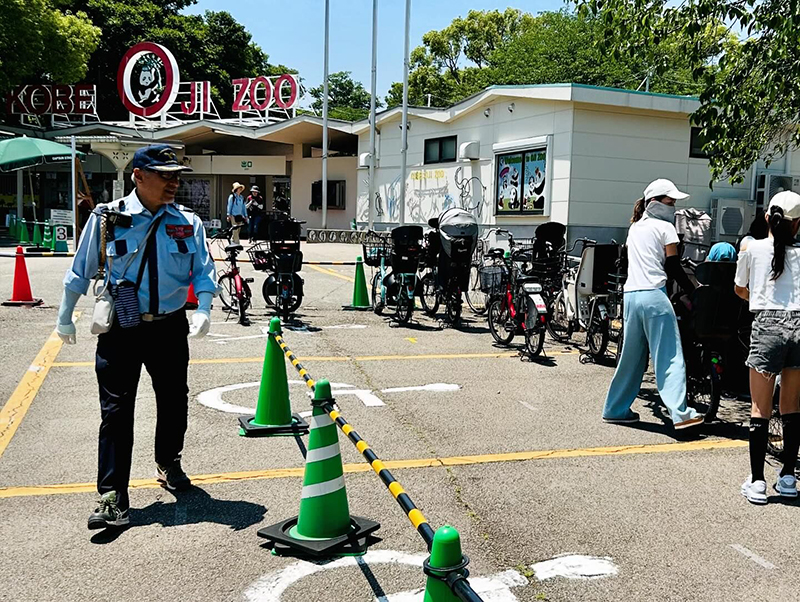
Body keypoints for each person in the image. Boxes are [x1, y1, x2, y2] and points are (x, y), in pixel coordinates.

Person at [55, 144, 217, 530]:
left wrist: (205, 308)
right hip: (122, 327)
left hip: (169, 326)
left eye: (176, 176)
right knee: (116, 411)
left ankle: (168, 461)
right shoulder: (108, 218)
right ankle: (113, 496)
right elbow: (80, 270)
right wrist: (64, 317)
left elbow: (203, 271)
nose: (173, 183)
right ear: (139, 176)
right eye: (165, 176)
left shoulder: (188, 222)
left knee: (174, 400)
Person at [602, 179, 704, 430]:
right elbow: (673, 267)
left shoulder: (635, 228)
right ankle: (681, 414)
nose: (673, 206)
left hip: (631, 295)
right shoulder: (666, 228)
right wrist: (694, 291)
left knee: (631, 358)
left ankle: (615, 409)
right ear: (655, 202)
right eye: (670, 201)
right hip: (654, 296)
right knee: (669, 355)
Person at [734, 191, 800, 504]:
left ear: (767, 219)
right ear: (797, 223)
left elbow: (739, 289)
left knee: (760, 408)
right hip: (799, 326)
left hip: (766, 326)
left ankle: (758, 482)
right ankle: (787, 477)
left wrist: (760, 299)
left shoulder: (751, 248)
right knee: (792, 407)